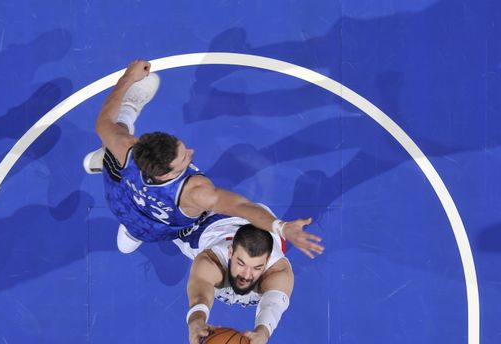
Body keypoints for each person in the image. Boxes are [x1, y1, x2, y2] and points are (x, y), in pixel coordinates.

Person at [83, 59, 324, 258]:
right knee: (144, 227)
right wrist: (281, 227)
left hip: (120, 201)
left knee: (117, 138)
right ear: (166, 174)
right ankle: (131, 232)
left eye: (183, 148)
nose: (191, 153)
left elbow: (102, 122)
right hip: (153, 230)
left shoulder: (130, 149)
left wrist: (128, 79)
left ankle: (119, 133)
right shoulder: (195, 192)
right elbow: (243, 207)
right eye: (184, 157)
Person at [178, 215, 293, 344]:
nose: (246, 275)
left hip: (264, 220)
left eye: (256, 268)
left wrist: (262, 334)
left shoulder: (278, 273)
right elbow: (200, 295)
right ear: (230, 252)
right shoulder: (211, 261)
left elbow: (272, 307)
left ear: (266, 263)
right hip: (209, 223)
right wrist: (196, 321)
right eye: (241, 263)